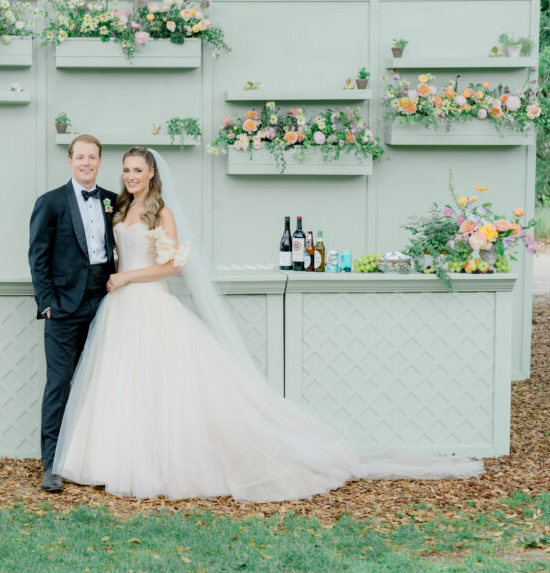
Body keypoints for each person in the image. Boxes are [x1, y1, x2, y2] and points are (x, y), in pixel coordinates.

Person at [51, 146, 484, 502]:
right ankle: (114, 460)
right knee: (124, 385)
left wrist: (127, 276)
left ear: (151, 174)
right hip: (119, 308)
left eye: (137, 170)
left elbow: (171, 266)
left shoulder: (161, 213)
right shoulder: (119, 205)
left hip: (148, 302)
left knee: (166, 387)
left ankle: (161, 465)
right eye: (125, 169)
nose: (129, 176)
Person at [27, 134, 117, 493]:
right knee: (60, 383)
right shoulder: (49, 203)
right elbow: (38, 256)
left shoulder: (112, 201)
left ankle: (94, 459)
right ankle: (53, 464)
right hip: (64, 307)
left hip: (105, 302)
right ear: (70, 161)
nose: (86, 163)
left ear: (99, 161)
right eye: (80, 157)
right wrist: (46, 303)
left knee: (99, 384)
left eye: (92, 157)